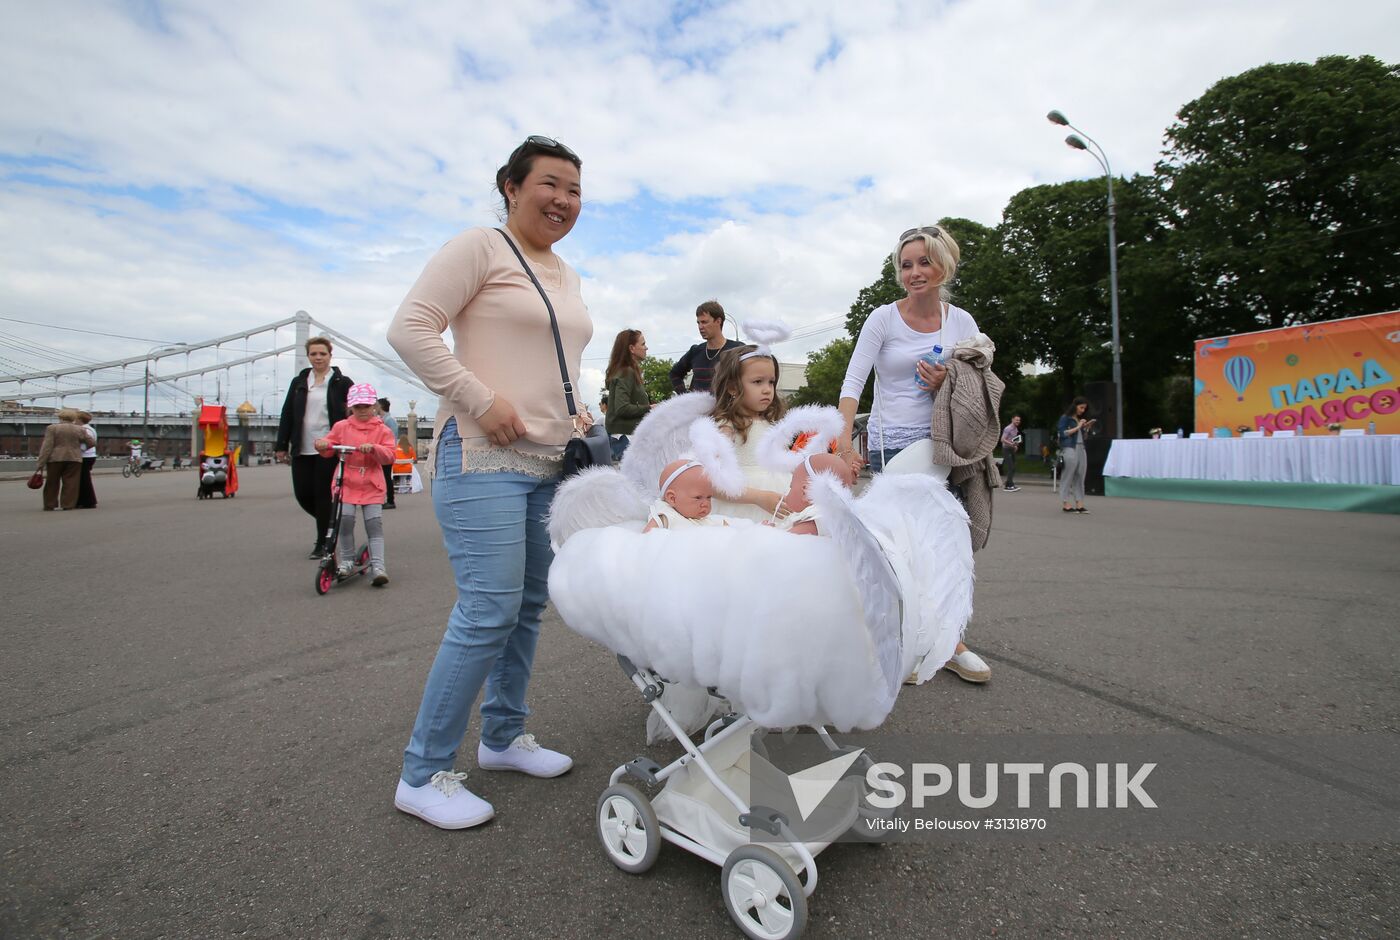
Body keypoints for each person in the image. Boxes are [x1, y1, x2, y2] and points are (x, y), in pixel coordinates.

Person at [386, 134, 591, 830]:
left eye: (575, 190)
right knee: (487, 611)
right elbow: (410, 328)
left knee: (529, 606)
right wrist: (479, 398)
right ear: (511, 186)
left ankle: (502, 737)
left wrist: (576, 407)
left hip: (547, 458)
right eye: (550, 184)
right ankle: (422, 772)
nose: (563, 200)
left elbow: (550, 355)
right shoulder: (480, 246)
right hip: (480, 455)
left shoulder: (564, 271)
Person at [835, 224, 991, 684]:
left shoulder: (960, 321)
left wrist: (950, 381)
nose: (915, 272)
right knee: (899, 547)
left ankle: (951, 641)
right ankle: (903, 641)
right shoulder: (883, 318)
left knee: (945, 544)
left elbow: (981, 378)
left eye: (924, 262)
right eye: (906, 264)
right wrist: (843, 443)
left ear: (944, 264)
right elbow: (852, 383)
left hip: (946, 444)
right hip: (893, 445)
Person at [275, 336, 354, 559]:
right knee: (303, 494)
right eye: (313, 354)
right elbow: (287, 414)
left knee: (322, 494)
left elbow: (355, 411)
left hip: (330, 448)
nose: (318, 358)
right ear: (308, 356)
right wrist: (281, 444)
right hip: (302, 446)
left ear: (330, 355)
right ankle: (331, 522)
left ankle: (322, 542)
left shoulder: (343, 382)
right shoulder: (299, 382)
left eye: (322, 354)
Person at [316, 383, 396, 585]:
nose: (362, 410)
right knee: (345, 521)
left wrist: (374, 449)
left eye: (367, 406)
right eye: (358, 406)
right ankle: (347, 561)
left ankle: (378, 566)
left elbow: (389, 456)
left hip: (372, 483)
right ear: (350, 407)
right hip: (347, 482)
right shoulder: (341, 427)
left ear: (374, 406)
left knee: (374, 525)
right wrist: (323, 444)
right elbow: (328, 447)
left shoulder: (383, 430)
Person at [707, 345, 792, 523]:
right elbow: (711, 482)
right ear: (733, 388)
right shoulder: (726, 426)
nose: (768, 389)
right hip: (742, 509)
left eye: (771, 382)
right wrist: (758, 498)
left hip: (780, 502)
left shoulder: (773, 423)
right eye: (757, 382)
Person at [669, 300, 744, 394]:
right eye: (698, 323)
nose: (700, 327)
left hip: (726, 408)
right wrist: (685, 397)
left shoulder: (737, 349)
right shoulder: (695, 351)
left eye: (704, 322)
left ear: (718, 321)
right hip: (699, 408)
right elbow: (674, 373)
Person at [778, 453, 858, 536]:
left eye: (791, 486)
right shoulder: (838, 518)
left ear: (806, 492)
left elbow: (781, 545)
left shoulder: (812, 523)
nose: (787, 492)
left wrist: (768, 532)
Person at [604, 329, 651, 462]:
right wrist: (649, 408)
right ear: (631, 348)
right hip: (624, 441)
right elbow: (622, 408)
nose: (646, 347)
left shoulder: (624, 372)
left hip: (624, 439)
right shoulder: (626, 373)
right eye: (642, 344)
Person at [36, 409, 95, 511]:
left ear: (60, 417)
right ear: (73, 418)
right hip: (74, 459)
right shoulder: (80, 429)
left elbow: (47, 446)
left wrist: (41, 463)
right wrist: (80, 449)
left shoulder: (52, 428)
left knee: (52, 482)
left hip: (55, 458)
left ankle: (50, 504)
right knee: (71, 483)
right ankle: (68, 505)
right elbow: (92, 442)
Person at [1058, 397, 1095, 514]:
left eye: (1084, 408)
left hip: (1081, 447)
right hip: (1069, 448)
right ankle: (1065, 503)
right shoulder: (1065, 418)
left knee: (1080, 475)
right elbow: (1062, 433)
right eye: (1081, 407)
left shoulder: (1079, 419)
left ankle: (1080, 504)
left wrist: (1086, 429)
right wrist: (1078, 427)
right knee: (1068, 475)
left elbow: (1083, 437)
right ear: (1075, 406)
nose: (1083, 410)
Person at [377, 398, 398, 509]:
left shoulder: (389, 420)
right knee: (384, 476)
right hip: (382, 452)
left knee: (386, 476)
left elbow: (392, 437)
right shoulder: (384, 419)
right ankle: (386, 499)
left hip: (386, 453)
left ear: (380, 406)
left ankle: (390, 500)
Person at [75, 410, 99, 509]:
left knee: (84, 480)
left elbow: (87, 444)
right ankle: (85, 500)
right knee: (84, 479)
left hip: (85, 456)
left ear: (80, 419)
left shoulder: (85, 429)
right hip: (90, 456)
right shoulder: (91, 429)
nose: (74, 421)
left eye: (76, 418)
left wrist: (79, 450)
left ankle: (88, 501)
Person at [1000, 415, 1022, 492]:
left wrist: (1015, 445)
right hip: (1006, 449)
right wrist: (1011, 444)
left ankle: (1008, 484)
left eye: (1019, 420)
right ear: (1012, 419)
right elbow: (1002, 439)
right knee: (1011, 467)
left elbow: (1013, 440)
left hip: (1011, 449)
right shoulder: (1008, 428)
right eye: (1016, 420)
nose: (1018, 421)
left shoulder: (1015, 429)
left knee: (1013, 468)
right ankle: (1009, 486)